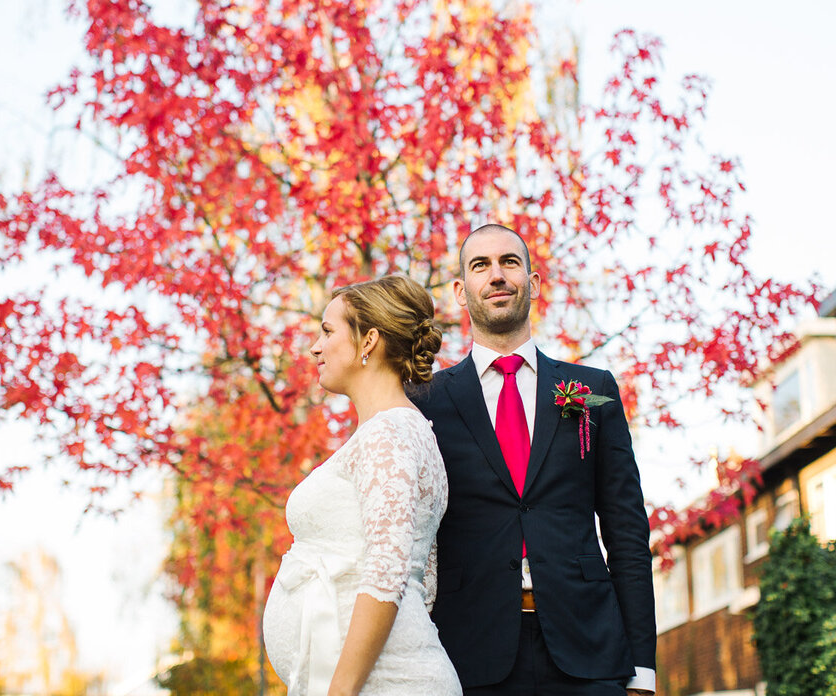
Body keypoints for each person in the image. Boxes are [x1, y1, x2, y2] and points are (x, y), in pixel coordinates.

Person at [411, 224, 656, 695]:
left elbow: (626, 530)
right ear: (462, 292)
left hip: (591, 653)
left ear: (534, 282)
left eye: (509, 262)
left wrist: (641, 666)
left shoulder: (594, 389)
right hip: (467, 655)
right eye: (480, 266)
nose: (497, 275)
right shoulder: (424, 401)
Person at [263, 274, 463, 696]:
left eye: (327, 331)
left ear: (368, 341)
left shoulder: (389, 434)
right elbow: (423, 581)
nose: (315, 347)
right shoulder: (395, 432)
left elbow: (388, 571)